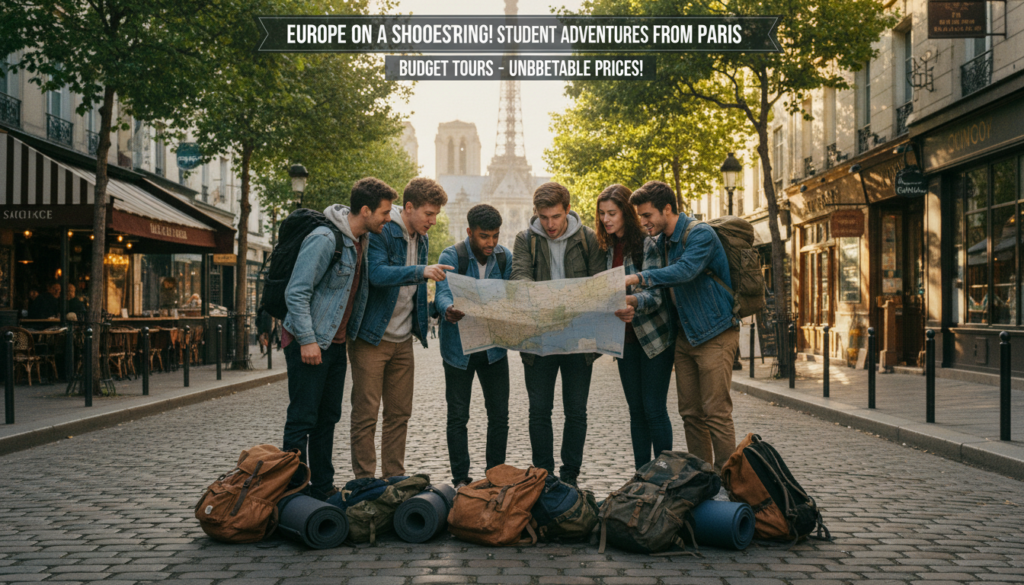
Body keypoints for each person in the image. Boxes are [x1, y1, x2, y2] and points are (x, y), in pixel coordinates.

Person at [280, 176, 395, 500]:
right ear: (365, 210)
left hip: (335, 343)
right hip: (310, 342)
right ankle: (292, 491)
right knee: (302, 418)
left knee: (327, 418)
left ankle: (322, 487)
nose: (388, 219)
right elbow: (297, 292)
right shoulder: (324, 238)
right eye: (385, 213)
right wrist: (307, 340)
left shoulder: (361, 240)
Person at [626, 180, 739, 471]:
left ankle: (730, 483)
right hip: (686, 336)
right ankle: (703, 479)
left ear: (667, 209)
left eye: (647, 215)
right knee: (690, 414)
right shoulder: (661, 240)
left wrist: (639, 278)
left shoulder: (700, 233)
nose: (643, 221)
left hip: (715, 333)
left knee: (716, 413)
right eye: (640, 216)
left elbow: (686, 270)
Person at [350, 177, 452, 480]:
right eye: (428, 214)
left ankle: (394, 479)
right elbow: (377, 274)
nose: (433, 221)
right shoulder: (384, 229)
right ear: (408, 208)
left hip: (403, 339)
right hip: (372, 337)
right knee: (366, 415)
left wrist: (428, 317)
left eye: (436, 215)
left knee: (399, 415)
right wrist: (422, 271)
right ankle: (365, 483)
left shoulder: (422, 237)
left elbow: (415, 292)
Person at [510, 181, 604, 487]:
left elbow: (600, 281)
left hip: (578, 339)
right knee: (539, 411)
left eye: (555, 217)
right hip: (539, 341)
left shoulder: (588, 238)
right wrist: (530, 292)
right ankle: (544, 476)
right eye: (543, 217)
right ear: (536, 213)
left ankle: (570, 476)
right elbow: (520, 273)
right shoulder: (525, 239)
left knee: (576, 411)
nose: (549, 224)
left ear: (567, 210)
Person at [595, 185, 676, 470]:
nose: (606, 219)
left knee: (654, 409)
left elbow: (657, 295)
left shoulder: (648, 243)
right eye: (602, 213)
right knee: (636, 412)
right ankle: (642, 475)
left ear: (626, 213)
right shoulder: (606, 248)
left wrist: (632, 301)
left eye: (612, 213)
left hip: (653, 339)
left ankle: (664, 476)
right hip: (625, 341)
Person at [434, 204, 513, 488]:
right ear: (469, 232)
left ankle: (495, 475)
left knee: (500, 416)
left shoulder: (505, 258)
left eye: (495, 236)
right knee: (458, 417)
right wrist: (449, 309)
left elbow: (513, 294)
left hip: (494, 350)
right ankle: (461, 480)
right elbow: (441, 293)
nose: (491, 243)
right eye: (484, 236)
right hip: (459, 351)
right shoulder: (451, 255)